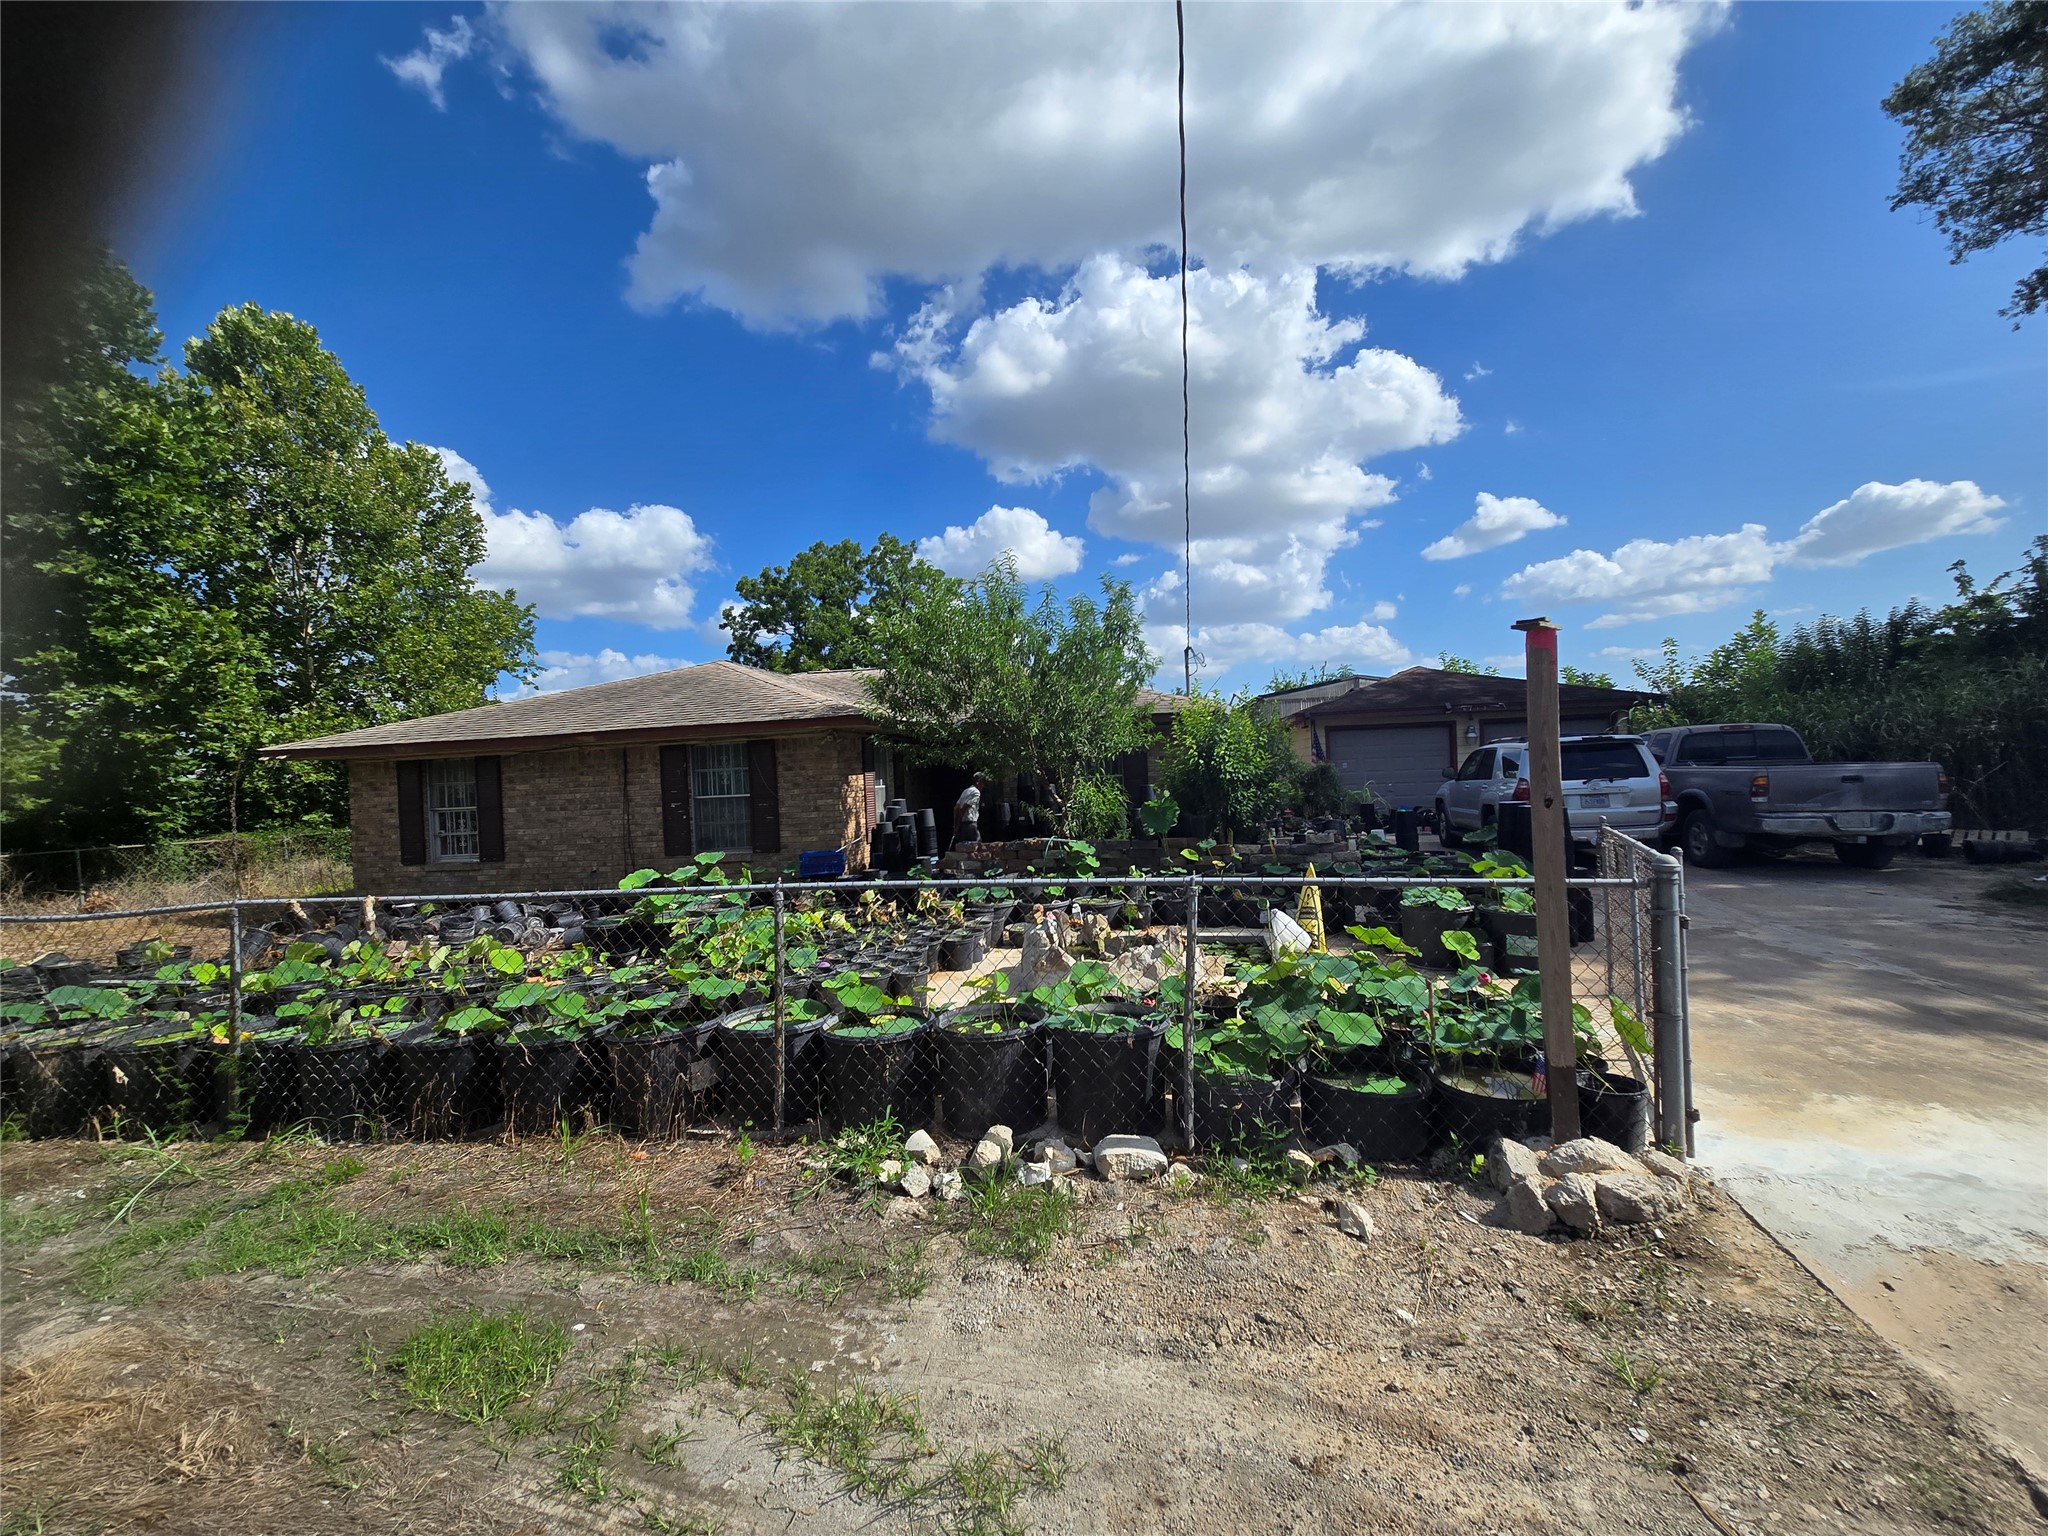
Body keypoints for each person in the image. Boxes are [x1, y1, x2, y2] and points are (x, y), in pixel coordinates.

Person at [953, 773, 990, 850]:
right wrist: (959, 821)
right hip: (971, 825)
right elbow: (963, 808)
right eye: (983, 783)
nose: (983, 786)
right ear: (978, 781)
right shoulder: (976, 792)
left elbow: (956, 808)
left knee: (964, 850)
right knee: (978, 849)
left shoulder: (965, 791)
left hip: (963, 826)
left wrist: (957, 825)